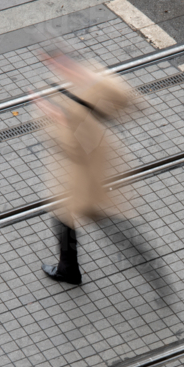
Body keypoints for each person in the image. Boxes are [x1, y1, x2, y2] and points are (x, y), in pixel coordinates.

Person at [32, 52, 145, 286]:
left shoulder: (84, 82)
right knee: (71, 215)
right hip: (98, 165)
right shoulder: (79, 81)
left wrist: (57, 120)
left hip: (81, 174)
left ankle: (69, 270)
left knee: (74, 214)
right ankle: (68, 267)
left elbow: (72, 146)